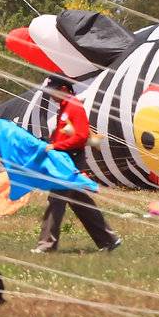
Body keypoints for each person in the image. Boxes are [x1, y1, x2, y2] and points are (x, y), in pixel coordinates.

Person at [32, 80, 120, 253]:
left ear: (64, 89)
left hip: (71, 160)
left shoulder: (74, 107)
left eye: (52, 91)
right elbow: (64, 134)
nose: (50, 95)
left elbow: (80, 136)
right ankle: (109, 240)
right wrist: (50, 143)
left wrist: (56, 147)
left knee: (56, 200)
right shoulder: (64, 109)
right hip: (64, 159)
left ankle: (46, 246)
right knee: (80, 202)